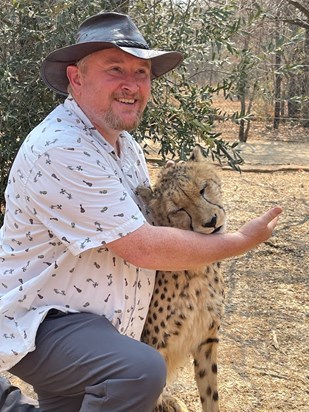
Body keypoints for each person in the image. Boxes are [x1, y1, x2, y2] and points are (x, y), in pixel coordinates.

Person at [0, 11, 282, 412]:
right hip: (44, 323)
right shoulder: (61, 147)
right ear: (76, 79)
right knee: (138, 372)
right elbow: (142, 246)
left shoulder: (123, 145)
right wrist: (238, 242)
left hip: (96, 325)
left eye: (142, 72)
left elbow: (143, 220)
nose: (132, 84)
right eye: (115, 69)